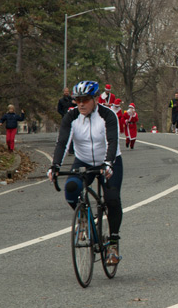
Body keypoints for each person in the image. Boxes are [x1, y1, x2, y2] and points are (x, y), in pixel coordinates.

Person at [48, 80, 123, 265]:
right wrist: (55, 165)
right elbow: (63, 143)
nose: (81, 103)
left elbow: (112, 142)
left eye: (85, 100)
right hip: (84, 161)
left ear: (95, 99)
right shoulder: (71, 117)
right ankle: (83, 219)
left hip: (109, 160)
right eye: (77, 100)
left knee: (112, 198)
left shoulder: (108, 116)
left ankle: (113, 244)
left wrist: (108, 163)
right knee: (72, 188)